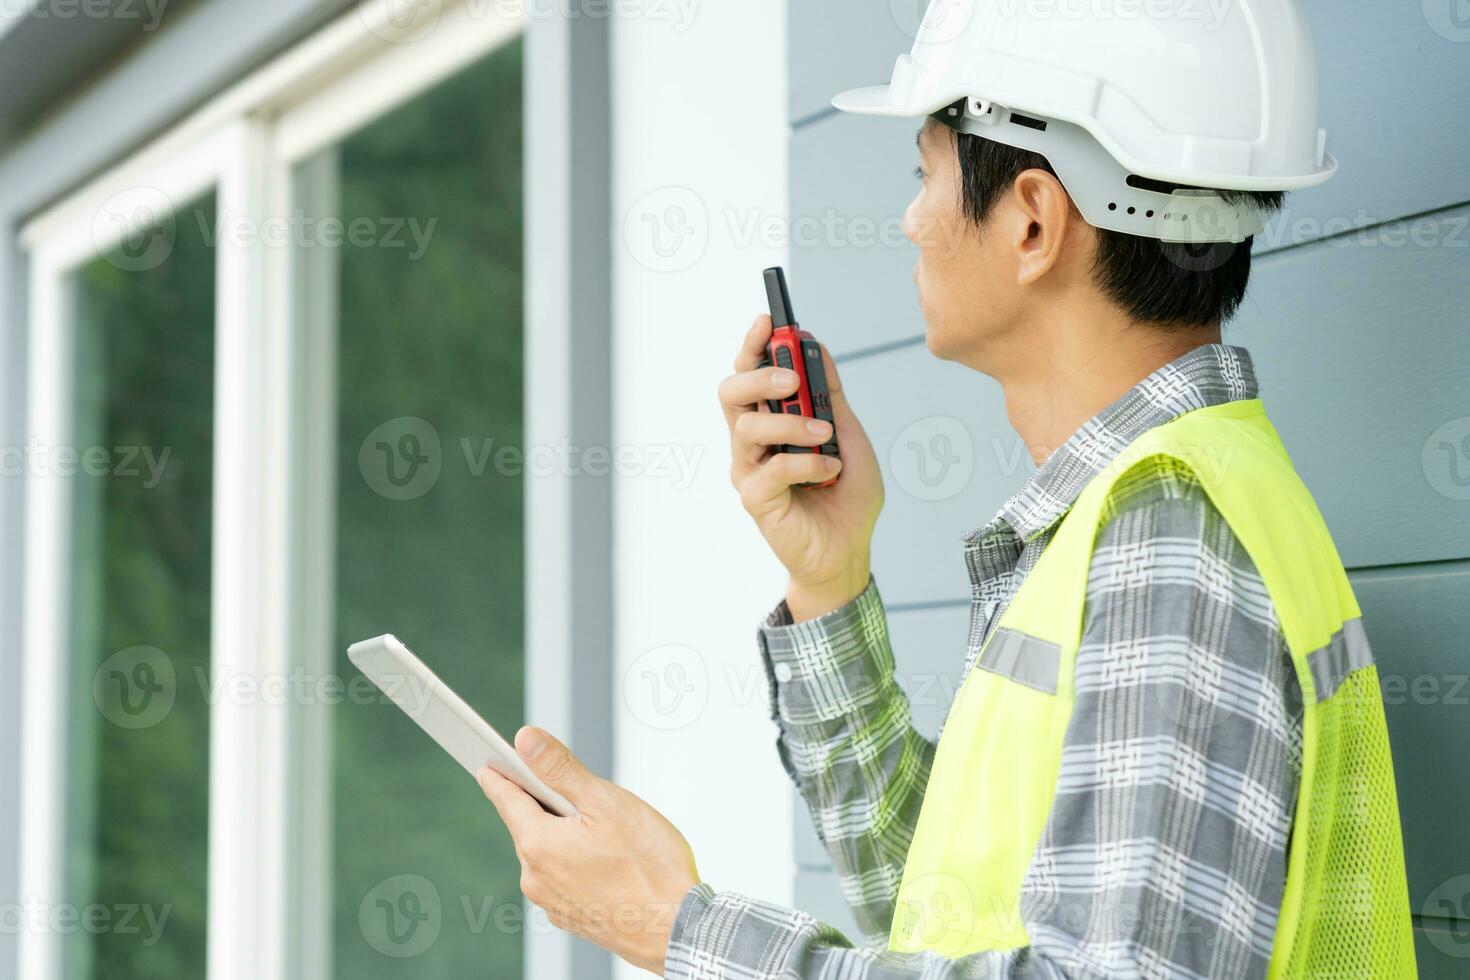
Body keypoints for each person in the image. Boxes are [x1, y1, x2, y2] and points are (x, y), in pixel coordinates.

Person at [477, 1, 1417, 976]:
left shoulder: (1169, 534)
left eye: (923, 170)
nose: (910, 218)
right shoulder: (1138, 513)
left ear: (1032, 222)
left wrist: (670, 923)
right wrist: (829, 577)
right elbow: (940, 914)